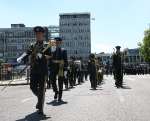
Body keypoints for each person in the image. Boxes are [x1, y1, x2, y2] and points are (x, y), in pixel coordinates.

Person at [17, 26, 51, 116]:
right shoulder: (33, 45)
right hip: (34, 70)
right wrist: (21, 57)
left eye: (39, 34)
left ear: (43, 34)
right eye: (36, 34)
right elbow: (27, 52)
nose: (38, 35)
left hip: (42, 71)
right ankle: (40, 97)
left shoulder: (47, 45)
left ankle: (41, 109)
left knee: (41, 89)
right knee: (32, 87)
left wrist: (42, 56)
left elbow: (50, 56)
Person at [51, 37, 68, 102]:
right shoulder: (52, 50)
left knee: (60, 82)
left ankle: (60, 97)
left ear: (61, 43)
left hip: (61, 68)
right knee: (52, 81)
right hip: (53, 67)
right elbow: (49, 58)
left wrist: (65, 69)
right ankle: (56, 91)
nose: (57, 43)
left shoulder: (63, 51)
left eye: (58, 42)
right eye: (56, 42)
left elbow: (66, 61)